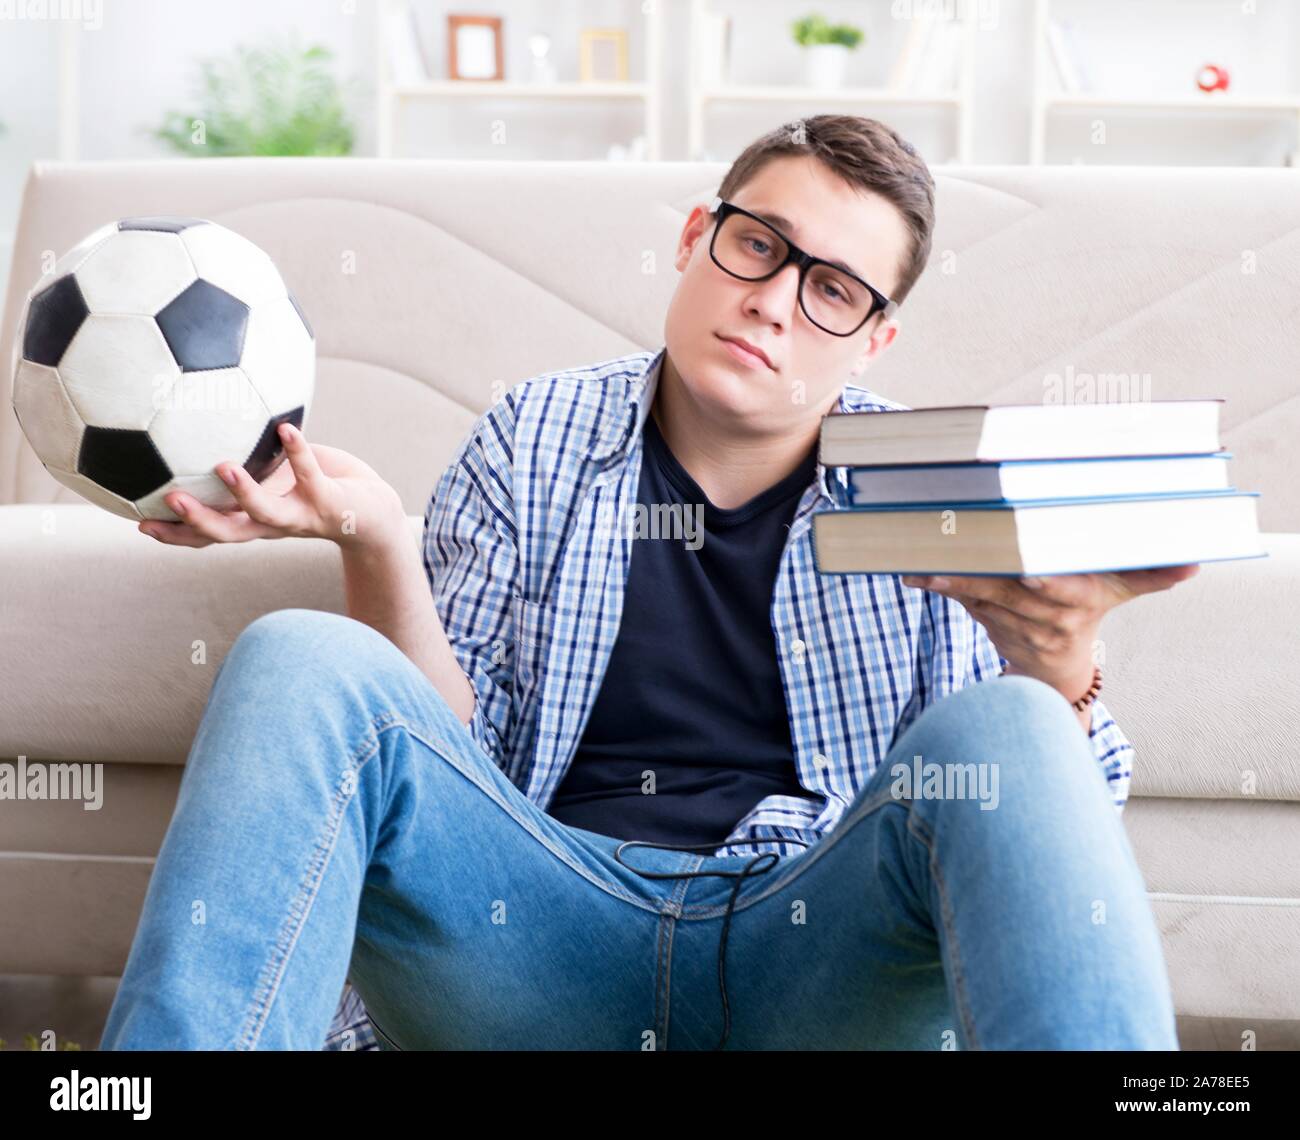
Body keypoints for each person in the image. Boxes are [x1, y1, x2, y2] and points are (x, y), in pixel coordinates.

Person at [100, 115, 1196, 1051]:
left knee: (1008, 722)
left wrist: (1058, 670)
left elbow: (1028, 853)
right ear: (695, 239)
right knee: (300, 653)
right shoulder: (534, 436)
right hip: (537, 933)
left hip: (809, 954)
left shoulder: (925, 486)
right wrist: (378, 538)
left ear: (874, 341)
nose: (774, 302)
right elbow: (437, 780)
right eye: (758, 246)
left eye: (833, 292)